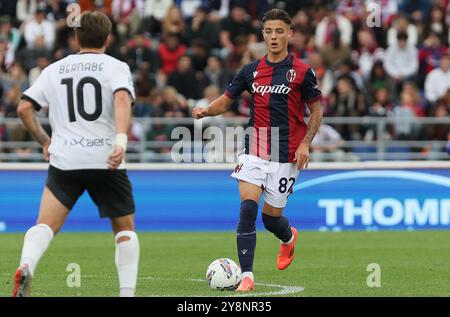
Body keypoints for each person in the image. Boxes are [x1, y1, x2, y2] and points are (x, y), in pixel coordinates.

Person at [192, 8, 323, 292]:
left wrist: (305, 144)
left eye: (279, 31)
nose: (273, 37)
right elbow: (226, 101)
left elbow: (316, 111)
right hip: (256, 147)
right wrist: (206, 111)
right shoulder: (250, 70)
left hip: (287, 154)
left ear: (289, 33)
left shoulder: (302, 71)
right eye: (268, 31)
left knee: (270, 218)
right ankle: (247, 276)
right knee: (248, 209)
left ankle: (288, 238)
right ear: (262, 34)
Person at [13, 11, 139, 297]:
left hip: (65, 160)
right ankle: (127, 293)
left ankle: (27, 265)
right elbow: (121, 99)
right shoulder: (116, 67)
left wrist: (45, 140)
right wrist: (120, 141)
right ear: (108, 38)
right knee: (125, 230)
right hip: (107, 159)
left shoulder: (54, 70)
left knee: (44, 225)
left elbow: (23, 108)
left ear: (76, 38)